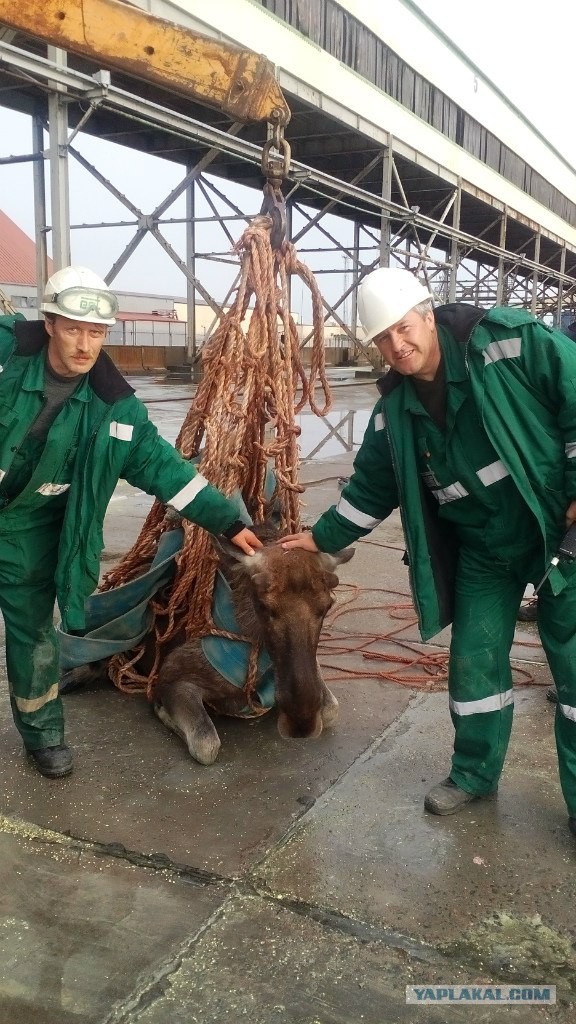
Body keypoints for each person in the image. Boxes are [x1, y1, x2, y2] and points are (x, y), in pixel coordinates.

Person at [282, 266, 576, 841]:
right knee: (473, 661)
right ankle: (472, 774)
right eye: (383, 338)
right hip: (484, 550)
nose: (398, 345)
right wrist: (320, 539)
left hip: (555, 537)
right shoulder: (395, 411)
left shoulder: (509, 342)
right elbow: (371, 486)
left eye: (405, 328)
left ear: (427, 312)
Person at [0, 265, 262, 779]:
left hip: (28, 530)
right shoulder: (6, 356)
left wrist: (227, 522)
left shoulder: (115, 410)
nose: (83, 344)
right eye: (73, 328)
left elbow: (170, 474)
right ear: (50, 323)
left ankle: (44, 736)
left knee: (34, 637)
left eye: (95, 332)